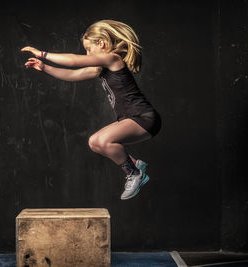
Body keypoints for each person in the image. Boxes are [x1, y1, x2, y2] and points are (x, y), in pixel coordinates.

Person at [21, 19, 161, 200]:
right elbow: (72, 74)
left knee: (101, 140)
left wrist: (42, 54)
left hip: (143, 117)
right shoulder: (99, 69)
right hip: (132, 119)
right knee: (95, 143)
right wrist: (45, 67)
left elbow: (74, 61)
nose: (87, 54)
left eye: (89, 49)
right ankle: (134, 166)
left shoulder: (113, 59)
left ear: (101, 43)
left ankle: (134, 174)